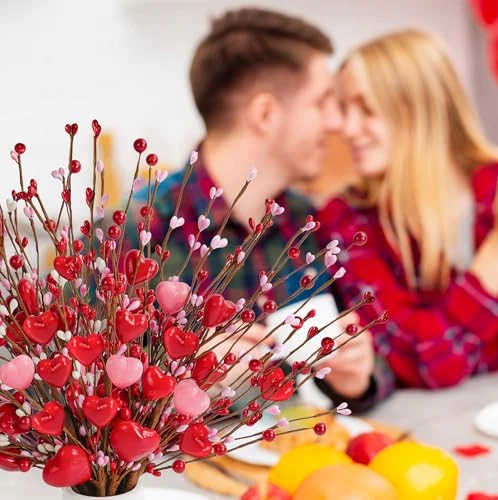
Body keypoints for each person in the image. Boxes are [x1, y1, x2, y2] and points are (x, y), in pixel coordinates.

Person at [123, 8, 395, 412]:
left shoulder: (305, 223)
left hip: (295, 448)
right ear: (266, 114)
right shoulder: (138, 231)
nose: (338, 123)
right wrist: (180, 375)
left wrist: (358, 377)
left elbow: (366, 359)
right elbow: (63, 396)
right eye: (322, 102)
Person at [319, 29, 498, 390]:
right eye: (345, 108)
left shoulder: (491, 186)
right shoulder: (347, 220)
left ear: (423, 108)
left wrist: (449, 338)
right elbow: (420, 359)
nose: (347, 128)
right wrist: (492, 260)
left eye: (367, 108)